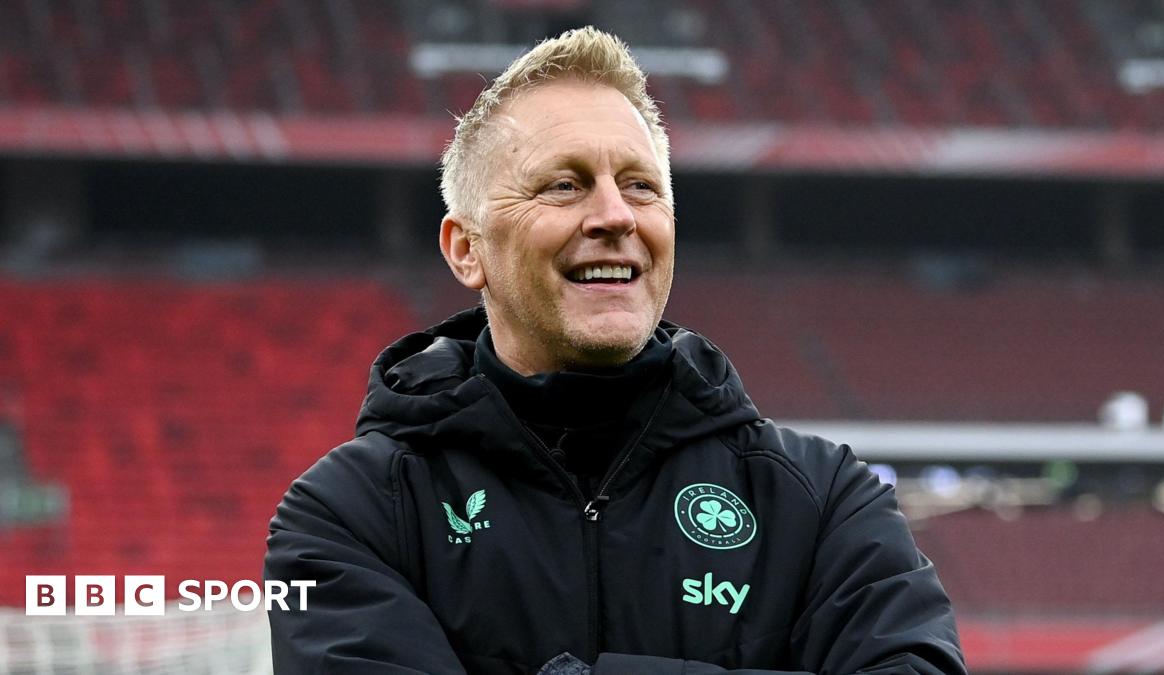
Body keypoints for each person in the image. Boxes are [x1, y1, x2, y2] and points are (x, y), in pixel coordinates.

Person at [264, 26, 965, 675]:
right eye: (564, 186)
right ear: (466, 249)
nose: (615, 216)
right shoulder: (349, 514)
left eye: (640, 186)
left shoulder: (823, 499)